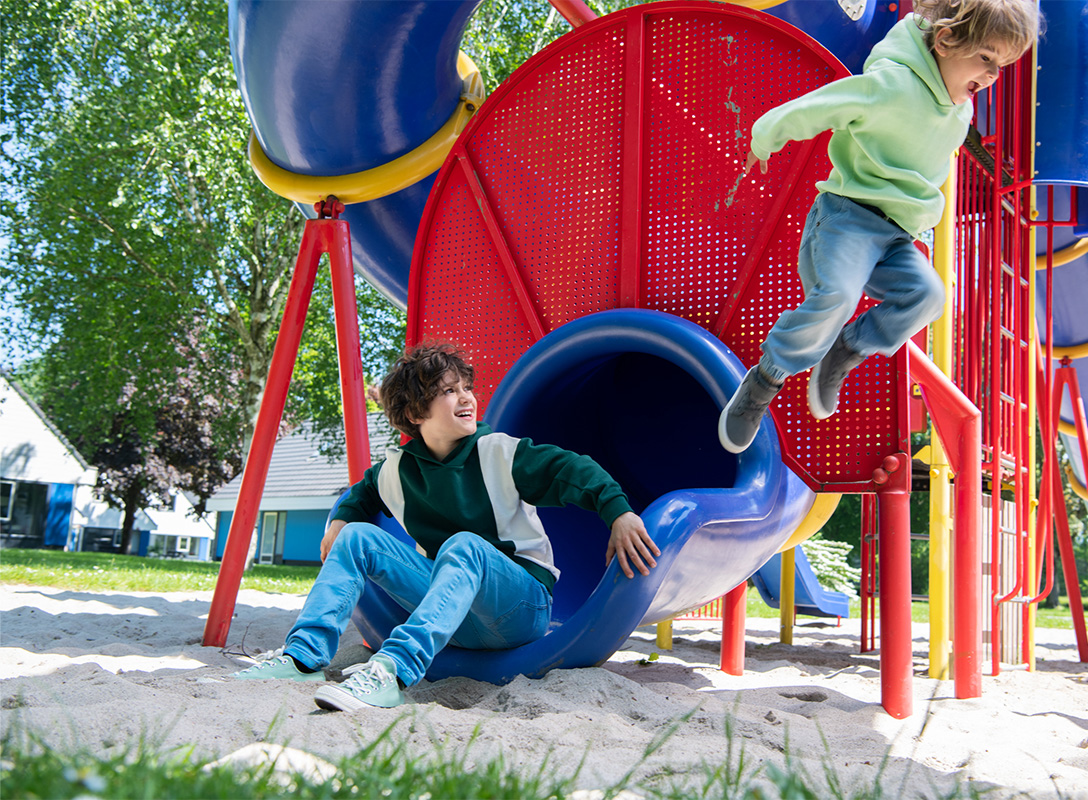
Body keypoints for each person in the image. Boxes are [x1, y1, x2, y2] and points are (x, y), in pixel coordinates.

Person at [233, 344, 659, 712]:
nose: (466, 398)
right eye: (449, 391)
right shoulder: (397, 470)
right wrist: (342, 521)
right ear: (417, 412)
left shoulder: (500, 453)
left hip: (520, 608)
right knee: (357, 537)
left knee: (464, 545)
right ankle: (303, 658)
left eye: (466, 388)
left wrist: (618, 512)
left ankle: (392, 671)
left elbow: (573, 469)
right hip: (455, 614)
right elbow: (359, 496)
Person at [718, 0, 1041, 453]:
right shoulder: (891, 85)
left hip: (896, 235)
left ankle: (846, 350)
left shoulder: (960, 111)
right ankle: (765, 380)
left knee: (928, 297)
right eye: (986, 57)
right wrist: (765, 136)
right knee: (838, 297)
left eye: (1001, 65)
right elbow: (823, 105)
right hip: (847, 216)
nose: (991, 75)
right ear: (946, 41)